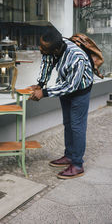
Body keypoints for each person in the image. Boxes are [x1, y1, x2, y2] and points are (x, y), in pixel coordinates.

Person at [30, 25, 94, 179]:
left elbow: (71, 86)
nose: (40, 48)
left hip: (80, 90)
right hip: (64, 87)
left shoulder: (76, 57)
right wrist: (40, 83)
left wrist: (44, 93)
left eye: (43, 47)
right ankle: (69, 156)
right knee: (67, 123)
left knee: (77, 126)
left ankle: (77, 164)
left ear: (56, 49)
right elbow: (47, 62)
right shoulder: (51, 48)